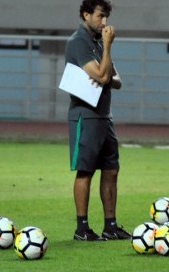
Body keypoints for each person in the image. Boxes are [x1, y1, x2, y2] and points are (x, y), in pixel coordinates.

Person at [64, 0, 130, 241]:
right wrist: (108, 48)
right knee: (85, 171)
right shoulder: (78, 42)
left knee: (112, 170)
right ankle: (82, 229)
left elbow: (117, 80)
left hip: (104, 116)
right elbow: (104, 76)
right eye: (100, 16)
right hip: (86, 115)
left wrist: (105, 71)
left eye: (106, 18)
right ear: (85, 14)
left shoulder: (97, 42)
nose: (105, 23)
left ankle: (110, 226)